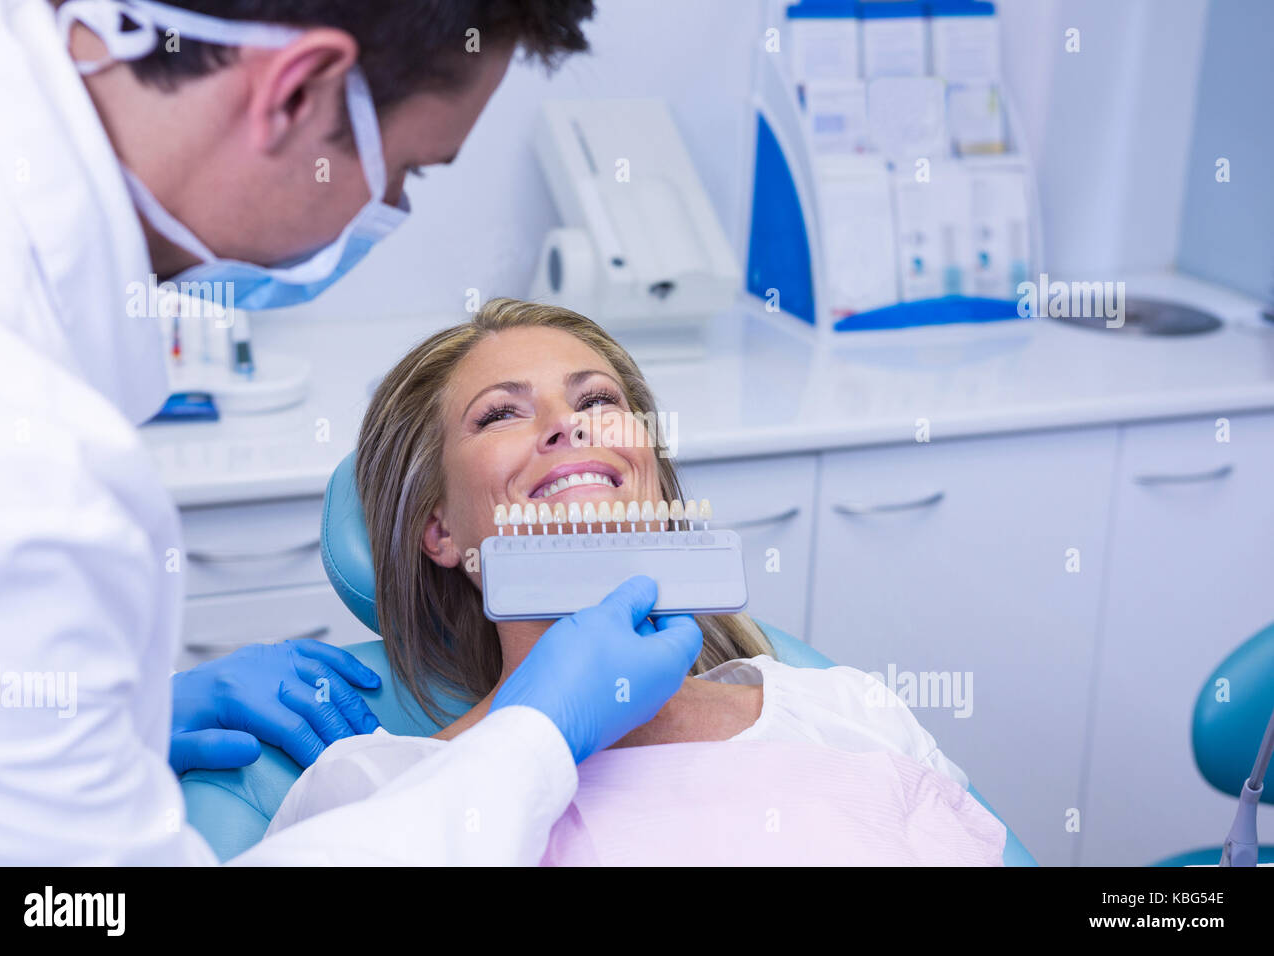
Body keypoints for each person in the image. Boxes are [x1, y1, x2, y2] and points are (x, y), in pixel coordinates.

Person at [0, 0, 706, 865]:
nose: (391, 203)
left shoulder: (834, 708)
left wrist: (104, 716)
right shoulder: (28, 471)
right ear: (295, 95)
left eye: (596, 400)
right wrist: (531, 735)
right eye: (410, 172)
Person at [262, 299, 1002, 865]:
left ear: (651, 471)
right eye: (499, 415)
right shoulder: (368, 791)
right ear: (440, 532)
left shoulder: (848, 713)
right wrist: (543, 728)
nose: (567, 426)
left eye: (596, 401)